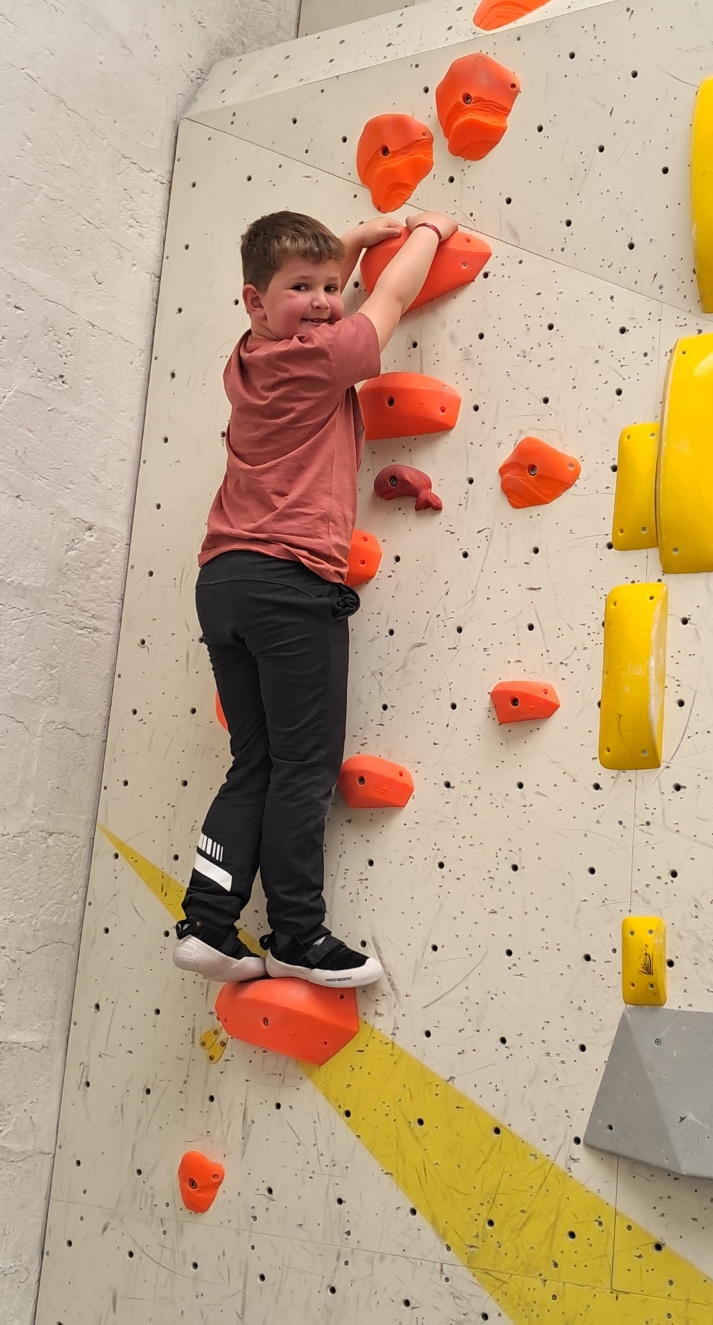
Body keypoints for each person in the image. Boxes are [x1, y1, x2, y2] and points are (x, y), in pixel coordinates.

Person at [172, 206, 459, 989]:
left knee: (256, 762)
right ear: (254, 301)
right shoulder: (320, 359)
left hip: (224, 581)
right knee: (304, 767)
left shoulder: (247, 361)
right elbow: (390, 301)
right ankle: (297, 934)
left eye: (333, 287)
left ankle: (207, 922)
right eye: (303, 288)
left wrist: (348, 247)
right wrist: (428, 233)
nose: (326, 301)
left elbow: (315, 298)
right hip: (288, 581)